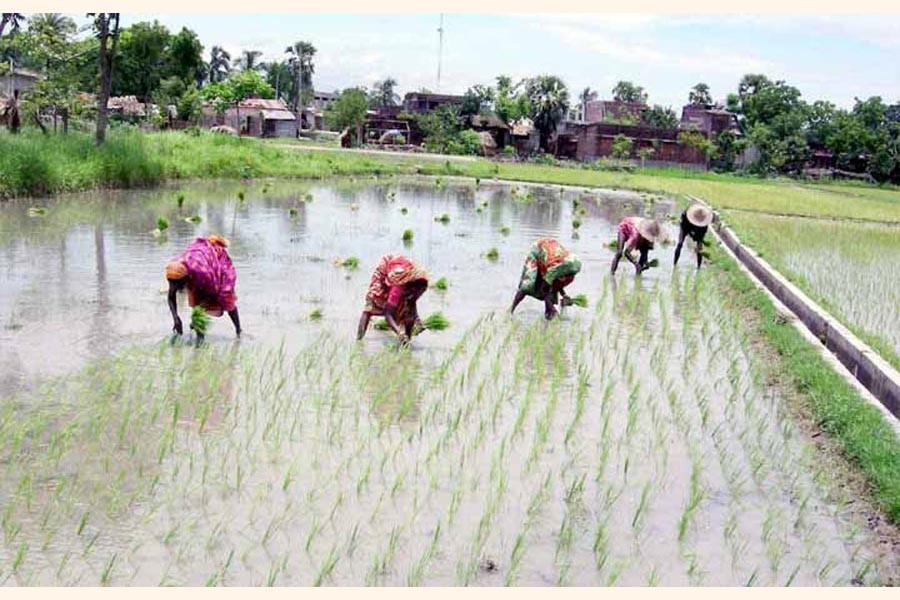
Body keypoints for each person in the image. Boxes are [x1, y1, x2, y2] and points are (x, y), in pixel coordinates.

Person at [165, 236, 241, 338]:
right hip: (199, 260)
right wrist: (176, 318)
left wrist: (198, 316)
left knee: (225, 296)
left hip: (216, 258)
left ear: (184, 279)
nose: (173, 287)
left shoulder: (202, 274)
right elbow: (170, 296)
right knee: (196, 303)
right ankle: (200, 340)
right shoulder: (174, 270)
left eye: (176, 284)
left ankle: (238, 330)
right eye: (171, 283)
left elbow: (213, 292)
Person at [358, 254, 429, 345]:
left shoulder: (420, 285)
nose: (415, 292)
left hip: (400, 268)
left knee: (407, 312)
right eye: (413, 290)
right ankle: (359, 342)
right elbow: (388, 314)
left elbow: (411, 302)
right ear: (409, 285)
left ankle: (406, 344)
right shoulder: (399, 286)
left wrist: (417, 319)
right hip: (386, 270)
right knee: (371, 306)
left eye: (418, 291)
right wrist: (399, 332)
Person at [510, 238, 582, 320]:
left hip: (550, 258)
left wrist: (564, 295)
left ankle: (548, 315)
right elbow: (544, 290)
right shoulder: (554, 267)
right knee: (528, 285)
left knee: (552, 294)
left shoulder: (571, 269)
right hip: (538, 251)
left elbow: (557, 284)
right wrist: (553, 309)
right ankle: (510, 310)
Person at [674, 203, 714, 268]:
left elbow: (700, 236)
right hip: (685, 226)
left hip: (698, 230)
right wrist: (690, 233)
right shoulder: (686, 215)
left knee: (699, 248)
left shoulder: (704, 225)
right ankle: (675, 264)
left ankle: (698, 267)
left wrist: (697, 239)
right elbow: (683, 226)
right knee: (680, 243)